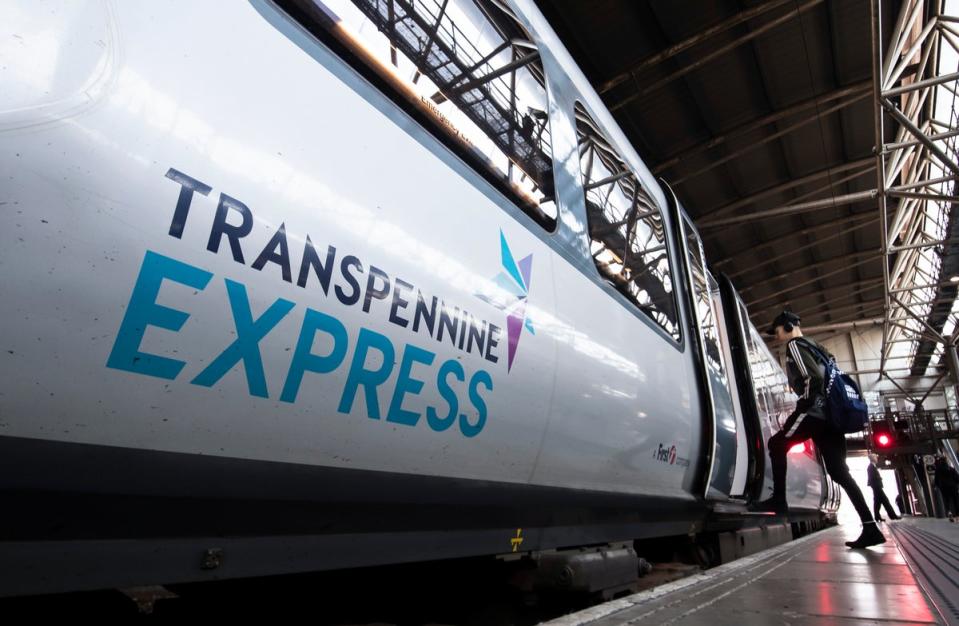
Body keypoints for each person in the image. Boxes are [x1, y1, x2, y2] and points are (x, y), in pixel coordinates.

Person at [751, 310, 885, 549]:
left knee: (776, 444)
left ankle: (779, 502)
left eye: (779, 330)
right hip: (832, 418)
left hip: (815, 412)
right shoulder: (818, 347)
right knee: (839, 472)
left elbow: (812, 378)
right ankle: (870, 526)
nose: (777, 336)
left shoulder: (795, 346)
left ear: (789, 326)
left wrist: (802, 406)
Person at [867, 454, 900, 522]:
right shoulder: (870, 467)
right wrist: (879, 478)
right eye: (875, 457)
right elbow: (872, 478)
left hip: (876, 487)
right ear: (872, 458)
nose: (876, 458)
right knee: (885, 501)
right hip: (877, 487)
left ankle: (877, 517)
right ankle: (893, 516)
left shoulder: (872, 466)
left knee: (877, 502)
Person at [934, 455, 959, 521]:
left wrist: (937, 486)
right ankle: (957, 515)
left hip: (944, 488)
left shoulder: (938, 470)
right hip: (953, 487)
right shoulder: (951, 469)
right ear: (946, 461)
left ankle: (949, 512)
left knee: (946, 501)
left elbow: (936, 480)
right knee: (955, 501)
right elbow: (957, 478)